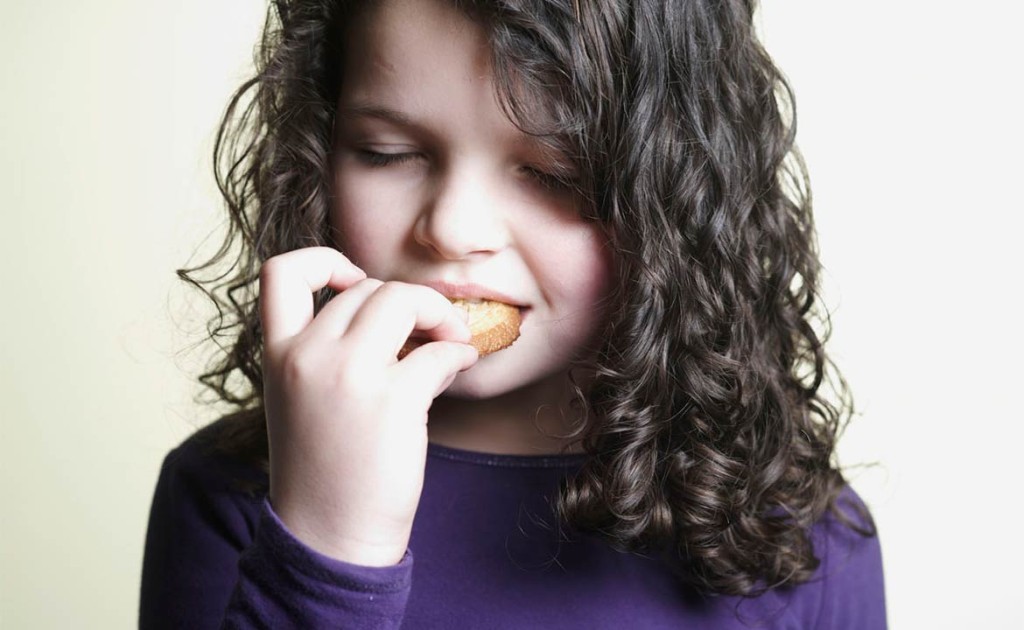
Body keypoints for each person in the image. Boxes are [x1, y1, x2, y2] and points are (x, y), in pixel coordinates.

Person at [140, 0, 887, 627]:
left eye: (550, 172)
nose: (454, 228)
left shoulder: (801, 539)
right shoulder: (231, 496)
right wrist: (324, 551)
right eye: (388, 152)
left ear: (673, 198)